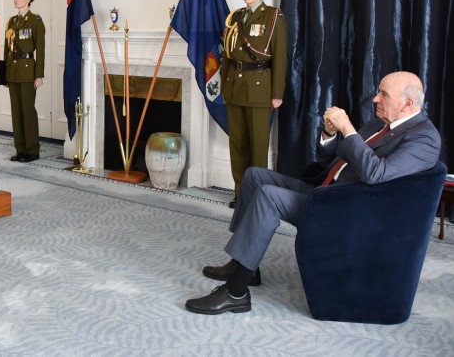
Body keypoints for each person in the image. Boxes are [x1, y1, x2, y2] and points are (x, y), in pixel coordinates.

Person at [184, 71, 441, 315]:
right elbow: (335, 157)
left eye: (383, 94)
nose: (375, 98)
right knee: (254, 176)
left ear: (407, 103)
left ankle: (235, 293)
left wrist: (348, 129)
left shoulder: (424, 139)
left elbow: (377, 174)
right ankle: (245, 266)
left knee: (268, 197)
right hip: (326, 190)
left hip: (344, 208)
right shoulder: (381, 122)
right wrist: (330, 134)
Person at [221, 0, 287, 207]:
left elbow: (280, 58)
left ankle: (256, 194)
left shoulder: (272, 17)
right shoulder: (236, 17)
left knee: (258, 147)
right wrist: (223, 83)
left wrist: (277, 93)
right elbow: (228, 54)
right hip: (235, 88)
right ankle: (240, 193)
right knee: (237, 144)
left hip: (260, 89)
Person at [4, 0, 45, 163]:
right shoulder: (11, 21)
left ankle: (32, 150)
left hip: (28, 71)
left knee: (28, 111)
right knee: (16, 111)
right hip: (13, 71)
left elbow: (41, 50)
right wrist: (4, 74)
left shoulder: (35, 21)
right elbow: (6, 49)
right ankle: (20, 149)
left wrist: (39, 75)